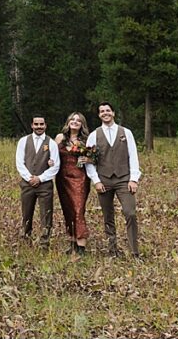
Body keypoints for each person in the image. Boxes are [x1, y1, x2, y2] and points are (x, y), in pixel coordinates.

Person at [85, 102, 140, 257]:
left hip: (124, 179)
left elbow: (133, 156)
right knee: (108, 216)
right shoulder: (94, 135)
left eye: (107, 110)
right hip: (104, 180)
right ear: (99, 115)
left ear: (113, 113)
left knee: (130, 213)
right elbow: (89, 161)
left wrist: (134, 179)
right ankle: (113, 250)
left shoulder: (126, 132)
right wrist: (96, 180)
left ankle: (134, 251)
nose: (105, 113)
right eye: (102, 111)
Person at [15, 116, 60, 248]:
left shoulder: (51, 143)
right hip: (27, 183)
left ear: (45, 125)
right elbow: (19, 162)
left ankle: (44, 242)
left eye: (41, 124)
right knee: (26, 212)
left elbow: (55, 165)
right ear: (32, 125)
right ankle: (26, 238)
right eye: (36, 124)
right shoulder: (23, 141)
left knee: (46, 213)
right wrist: (29, 178)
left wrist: (40, 178)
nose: (39, 126)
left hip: (45, 185)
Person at [54, 112, 92, 255]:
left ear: (82, 124)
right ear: (68, 122)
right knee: (68, 209)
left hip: (80, 178)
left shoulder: (86, 140)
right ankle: (72, 242)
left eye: (78, 120)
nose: (75, 122)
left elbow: (95, 157)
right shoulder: (60, 138)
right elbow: (51, 154)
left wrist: (88, 160)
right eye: (72, 119)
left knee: (78, 209)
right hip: (62, 178)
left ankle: (81, 245)